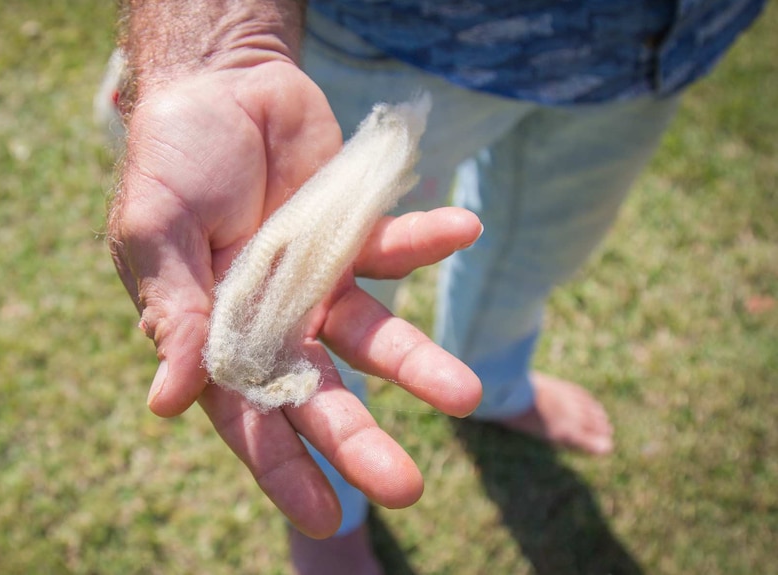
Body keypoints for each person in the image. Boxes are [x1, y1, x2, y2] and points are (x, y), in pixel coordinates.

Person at [103, 1, 765, 573]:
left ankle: (496, 382)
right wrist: (220, 46)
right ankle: (335, 511)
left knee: (535, 255)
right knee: (328, 333)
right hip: (383, 37)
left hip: (650, 53)